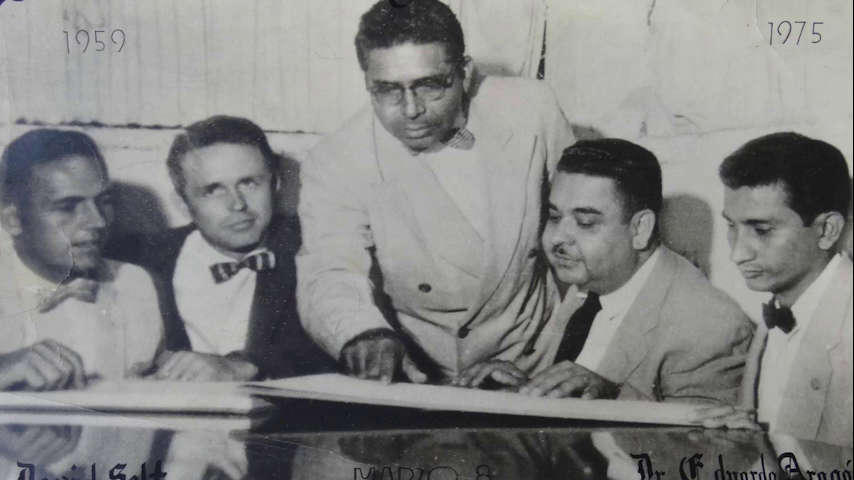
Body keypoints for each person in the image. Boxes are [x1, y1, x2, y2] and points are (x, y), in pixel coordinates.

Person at [297, 0, 575, 383]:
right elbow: (330, 268)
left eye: (429, 85)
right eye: (387, 90)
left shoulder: (532, 110)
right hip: (430, 375)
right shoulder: (336, 159)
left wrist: (583, 352)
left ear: (465, 72)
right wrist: (364, 333)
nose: (411, 110)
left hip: (543, 363)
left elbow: (585, 232)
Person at [457, 139, 754, 404]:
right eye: (554, 216)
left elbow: (704, 445)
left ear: (640, 229)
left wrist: (611, 395)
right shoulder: (590, 287)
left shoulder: (711, 328)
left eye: (585, 223)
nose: (558, 237)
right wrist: (519, 388)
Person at [108, 116, 335, 381]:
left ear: (275, 185)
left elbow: (346, 351)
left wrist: (248, 366)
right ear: (183, 205)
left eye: (249, 183)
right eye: (214, 190)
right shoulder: (142, 257)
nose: (237, 204)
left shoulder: (320, 245)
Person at [702, 132, 852, 447]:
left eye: (762, 230)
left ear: (827, 230)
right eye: (732, 226)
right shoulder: (778, 310)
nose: (737, 253)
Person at [0, 129, 163, 391]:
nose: (98, 221)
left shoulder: (133, 284)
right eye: (67, 206)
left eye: (104, 201)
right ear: (13, 220)